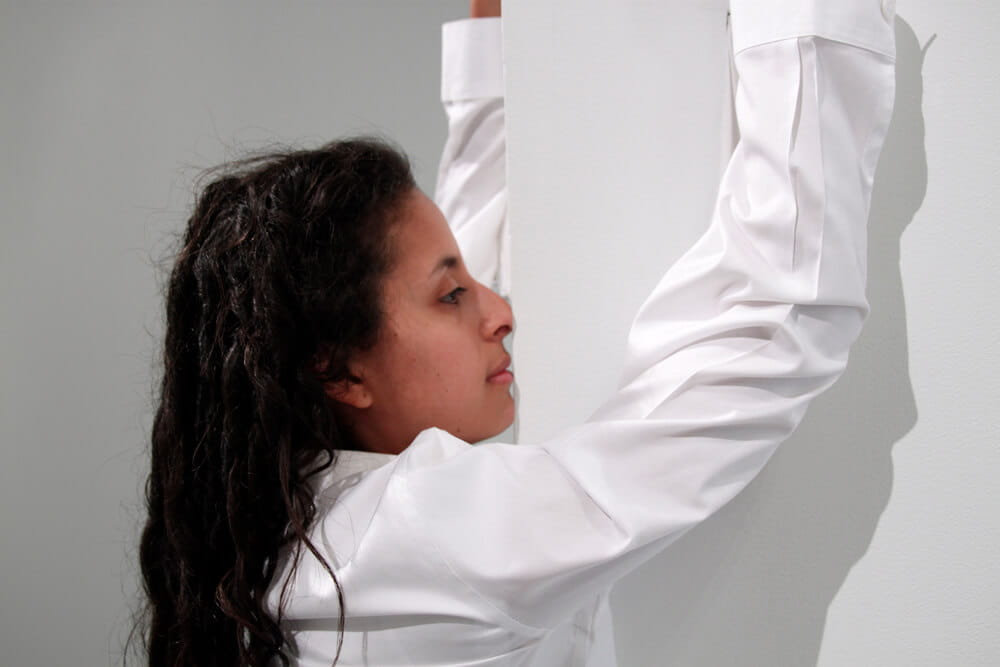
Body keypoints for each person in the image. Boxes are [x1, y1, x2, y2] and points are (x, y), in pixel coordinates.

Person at [135, 0, 897, 665]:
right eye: (454, 294)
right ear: (340, 372)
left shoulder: (289, 536)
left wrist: (501, 56)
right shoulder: (427, 537)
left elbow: (426, 285)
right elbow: (783, 315)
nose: (501, 311)